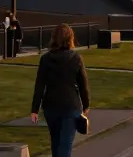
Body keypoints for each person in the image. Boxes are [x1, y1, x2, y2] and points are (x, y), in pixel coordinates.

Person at [30, 24, 90, 157]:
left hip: (51, 107)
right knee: (65, 146)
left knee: (56, 144)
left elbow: (40, 85)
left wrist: (34, 109)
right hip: (70, 106)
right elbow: (83, 85)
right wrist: (86, 105)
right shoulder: (76, 58)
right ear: (71, 38)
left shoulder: (45, 59)